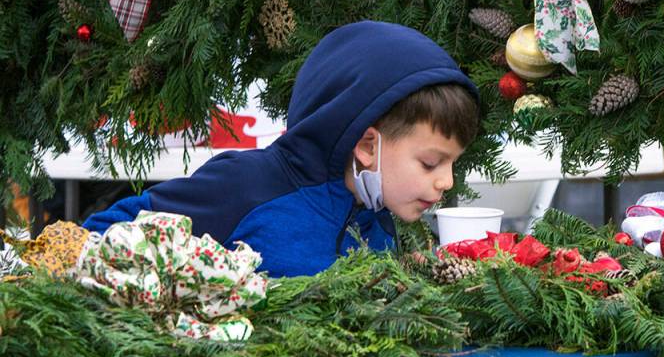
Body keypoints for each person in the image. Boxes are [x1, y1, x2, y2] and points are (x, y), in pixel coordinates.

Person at [83, 21, 480, 277]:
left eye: (452, 164)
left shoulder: (378, 222)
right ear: (366, 146)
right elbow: (96, 237)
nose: (446, 182)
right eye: (431, 162)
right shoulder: (245, 186)